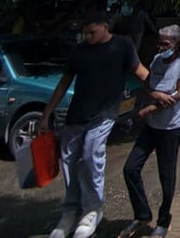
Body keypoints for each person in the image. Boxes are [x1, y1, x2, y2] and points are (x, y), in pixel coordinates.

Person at [38, 13, 150, 238]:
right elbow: (64, 83)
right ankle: (71, 211)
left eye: (92, 32)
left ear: (104, 27)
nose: (88, 37)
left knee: (91, 157)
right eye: (85, 33)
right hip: (77, 114)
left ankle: (92, 210)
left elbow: (140, 71)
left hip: (104, 114)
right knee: (70, 161)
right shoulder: (79, 51)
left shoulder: (122, 45)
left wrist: (164, 90)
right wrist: (46, 114)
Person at [119, 25, 180, 238]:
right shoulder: (157, 60)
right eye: (159, 43)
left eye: (165, 44)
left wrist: (150, 108)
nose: (161, 48)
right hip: (152, 126)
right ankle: (142, 214)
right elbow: (148, 85)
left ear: (176, 44)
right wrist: (157, 95)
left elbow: (178, 94)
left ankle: (163, 220)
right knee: (130, 168)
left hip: (171, 128)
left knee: (166, 176)